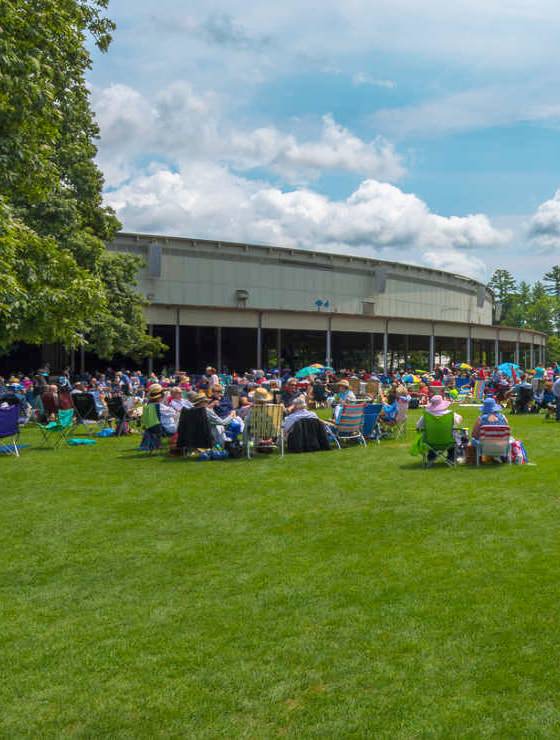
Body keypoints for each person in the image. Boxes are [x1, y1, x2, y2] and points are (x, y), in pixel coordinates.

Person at [416, 395, 463, 465]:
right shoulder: (450, 414)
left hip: (430, 442)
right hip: (449, 441)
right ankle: (452, 457)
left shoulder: (426, 415)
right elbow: (459, 420)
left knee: (433, 439)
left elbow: (418, 426)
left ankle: (432, 457)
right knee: (459, 437)